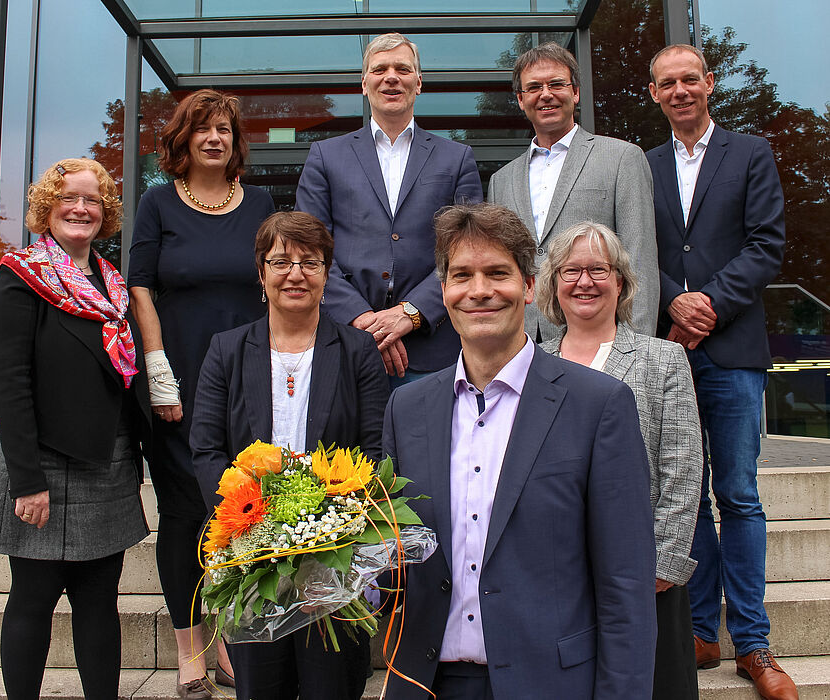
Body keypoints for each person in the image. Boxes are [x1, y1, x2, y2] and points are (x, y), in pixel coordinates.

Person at [382, 203, 656, 699]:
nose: (479, 290)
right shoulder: (407, 408)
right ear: (443, 292)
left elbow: (625, 587)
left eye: (498, 273)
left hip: (549, 684)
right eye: (461, 275)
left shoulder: (598, 405)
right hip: (425, 682)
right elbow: (393, 561)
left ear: (529, 287)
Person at [190, 211, 389, 699]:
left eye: (310, 262)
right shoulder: (227, 350)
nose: (295, 273)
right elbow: (205, 449)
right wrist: (254, 516)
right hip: (252, 557)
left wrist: (332, 518)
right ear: (261, 273)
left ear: (326, 274)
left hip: (336, 553)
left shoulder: (359, 351)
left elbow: (377, 448)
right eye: (280, 261)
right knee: (261, 687)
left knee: (332, 687)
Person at [0, 158, 151, 699]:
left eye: (93, 200)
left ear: (106, 213)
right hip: (41, 464)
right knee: (32, 599)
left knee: (101, 602)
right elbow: (10, 382)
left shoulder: (111, 282)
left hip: (107, 461)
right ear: (46, 210)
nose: (80, 209)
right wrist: (26, 479)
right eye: (68, 199)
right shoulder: (20, 276)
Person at [646, 44, 793, 700]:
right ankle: (702, 630)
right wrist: (670, 298)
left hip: (731, 351)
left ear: (708, 84)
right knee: (686, 495)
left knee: (737, 494)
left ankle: (753, 645)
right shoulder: (641, 165)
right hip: (669, 350)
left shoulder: (751, 153)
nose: (680, 91)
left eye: (689, 80)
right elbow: (638, 247)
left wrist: (706, 304)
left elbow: (767, 244)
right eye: (667, 83)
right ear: (654, 93)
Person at [128, 89, 275, 697]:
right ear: (182, 141)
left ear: (236, 143)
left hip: (248, 379)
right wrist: (158, 369)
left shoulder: (262, 201)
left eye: (225, 130)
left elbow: (278, 283)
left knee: (241, 512)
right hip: (179, 381)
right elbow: (139, 288)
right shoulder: (158, 203)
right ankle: (192, 651)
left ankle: (231, 642)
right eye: (202, 129)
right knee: (185, 515)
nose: (214, 138)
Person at [535, 221, 702, 700]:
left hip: (642, 574)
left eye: (598, 270)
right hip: (557, 571)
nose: (584, 282)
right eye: (570, 271)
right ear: (552, 285)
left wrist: (664, 562)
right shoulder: (532, 365)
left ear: (621, 282)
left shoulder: (663, 359)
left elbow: (683, 466)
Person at [296, 32, 483, 386]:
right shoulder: (325, 156)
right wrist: (364, 319)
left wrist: (410, 314)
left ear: (419, 82)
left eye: (403, 68)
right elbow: (310, 249)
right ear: (364, 84)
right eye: (379, 69)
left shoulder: (456, 158)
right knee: (341, 444)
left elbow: (468, 251)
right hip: (344, 343)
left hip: (432, 349)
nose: (391, 77)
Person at [487, 42, 659, 342]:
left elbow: (639, 259)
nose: (546, 94)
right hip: (520, 341)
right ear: (520, 99)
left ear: (575, 92)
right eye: (534, 87)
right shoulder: (501, 180)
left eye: (556, 84)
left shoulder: (622, 158)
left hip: (600, 338)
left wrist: (635, 350)